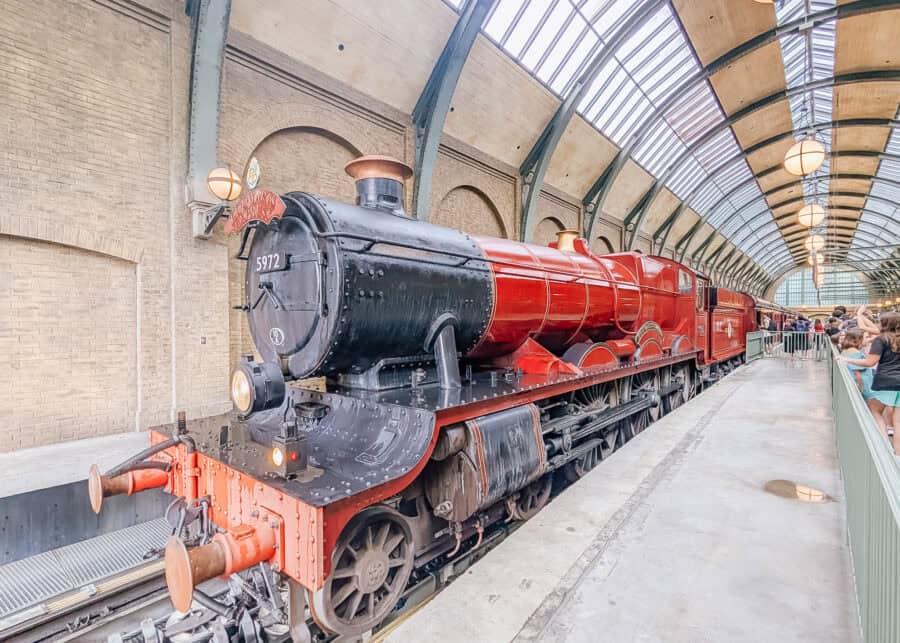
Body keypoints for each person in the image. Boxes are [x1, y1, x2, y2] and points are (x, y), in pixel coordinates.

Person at [839, 312, 900, 455]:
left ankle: (884, 447)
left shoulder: (881, 339)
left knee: (874, 409)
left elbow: (869, 362)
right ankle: (897, 455)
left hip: (887, 381)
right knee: (898, 422)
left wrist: (847, 360)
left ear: (885, 324)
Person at [842, 329, 874, 402]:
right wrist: (861, 389)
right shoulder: (854, 352)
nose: (869, 340)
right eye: (866, 337)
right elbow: (857, 374)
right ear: (858, 339)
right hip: (865, 387)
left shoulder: (851, 350)